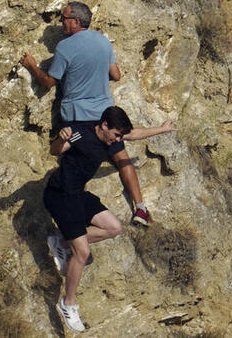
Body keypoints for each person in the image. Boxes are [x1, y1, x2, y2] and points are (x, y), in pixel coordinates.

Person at [21, 1, 155, 226]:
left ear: (75, 21)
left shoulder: (65, 47)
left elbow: (48, 83)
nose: (61, 22)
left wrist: (32, 65)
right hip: (105, 114)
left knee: (78, 166)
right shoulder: (103, 41)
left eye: (64, 18)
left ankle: (79, 219)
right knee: (121, 157)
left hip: (78, 116)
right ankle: (140, 207)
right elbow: (117, 74)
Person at [43, 106, 175, 332]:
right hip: (60, 195)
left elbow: (133, 134)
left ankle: (62, 243)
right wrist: (59, 138)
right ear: (104, 126)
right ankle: (68, 304)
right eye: (115, 135)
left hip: (79, 195)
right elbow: (55, 151)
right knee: (82, 252)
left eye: (119, 137)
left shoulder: (111, 138)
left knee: (114, 228)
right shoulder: (80, 132)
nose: (117, 141)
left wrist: (161, 130)